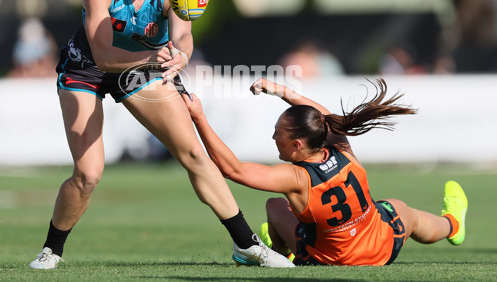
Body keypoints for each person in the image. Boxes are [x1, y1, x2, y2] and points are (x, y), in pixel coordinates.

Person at [29, 0, 293, 269]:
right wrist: (154, 59)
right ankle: (52, 249)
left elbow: (183, 35)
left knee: (194, 155)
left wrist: (182, 55)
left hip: (139, 68)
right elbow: (104, 55)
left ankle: (247, 245)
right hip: (86, 69)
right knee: (88, 174)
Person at [182, 77, 468, 266]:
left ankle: (280, 254)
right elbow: (322, 118)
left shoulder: (296, 179)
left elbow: (233, 170)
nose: (273, 138)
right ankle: (453, 224)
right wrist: (285, 92)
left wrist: (199, 117)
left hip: (330, 261)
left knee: (275, 207)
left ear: (296, 145)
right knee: (401, 210)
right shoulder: (343, 148)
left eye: (277, 133)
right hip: (381, 249)